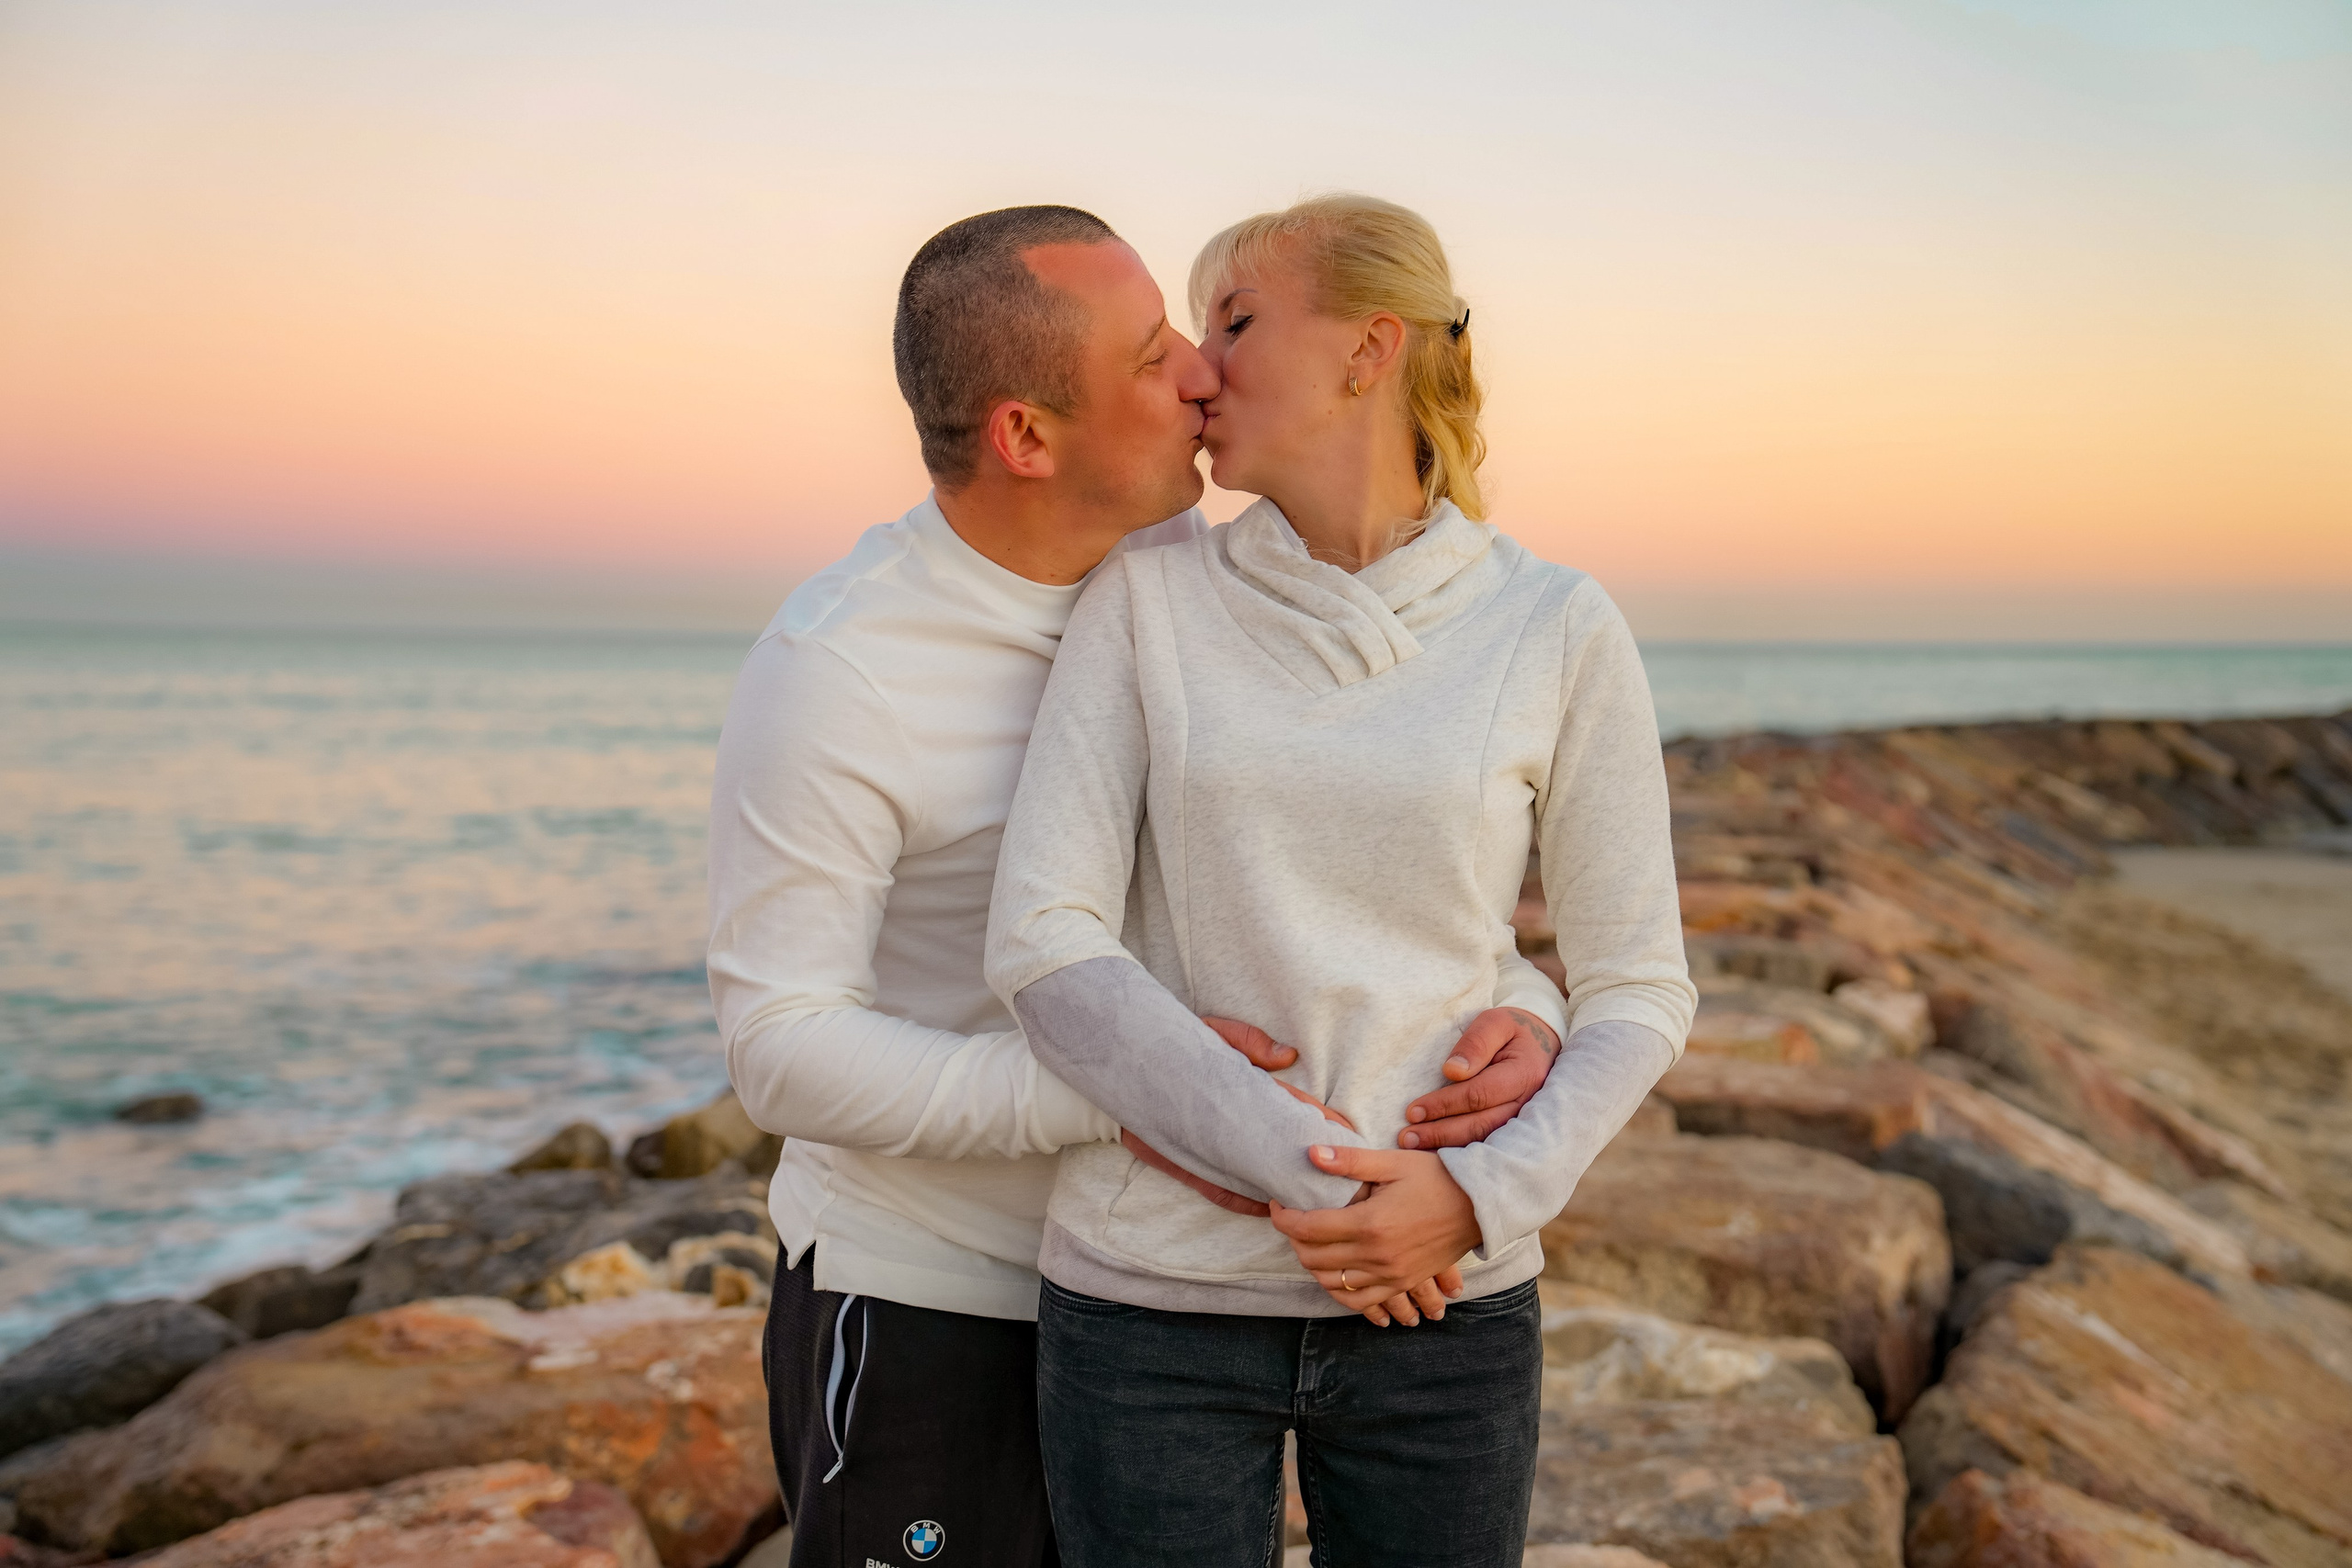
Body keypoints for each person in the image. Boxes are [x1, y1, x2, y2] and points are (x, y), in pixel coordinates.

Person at [707, 205, 1570, 1568]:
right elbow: (780, 1054)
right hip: (942, 1302)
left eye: (1197, 328)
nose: (1199, 372)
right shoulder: (842, 671)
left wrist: (1520, 1005)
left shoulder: (1188, 580)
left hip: (1169, 1292)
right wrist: (1141, 1097)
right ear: (1027, 437)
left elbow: (1350, 864)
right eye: (1149, 352)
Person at [985, 194, 1698, 1568]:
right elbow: (1043, 941)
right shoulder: (1145, 597)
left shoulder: (1553, 625)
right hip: (1154, 1306)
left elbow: (1638, 985)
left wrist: (1479, 1199)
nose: (1200, 367)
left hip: (1448, 1309)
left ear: (1372, 350)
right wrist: (1313, 1181)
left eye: (1237, 322)